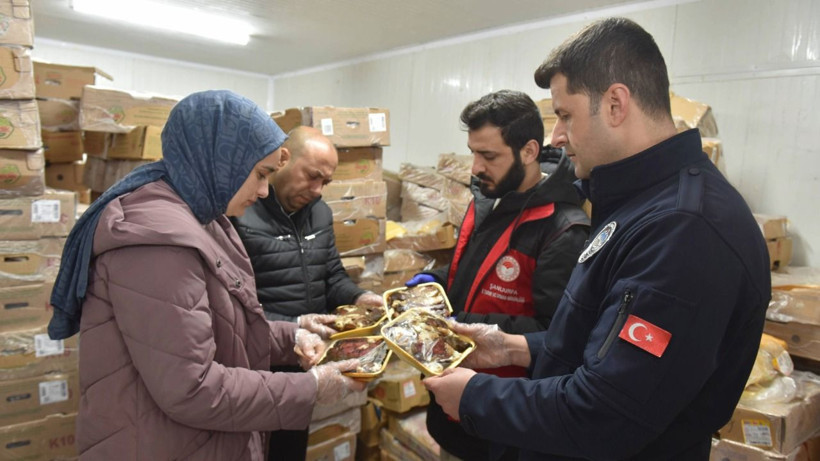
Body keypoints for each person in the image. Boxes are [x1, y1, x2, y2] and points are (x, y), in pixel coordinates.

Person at [423, 17, 771, 460]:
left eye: (565, 115)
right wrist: (510, 346)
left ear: (615, 104)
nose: (556, 136)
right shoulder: (638, 205)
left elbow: (605, 413)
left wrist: (474, 396)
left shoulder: (685, 230)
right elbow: (596, 341)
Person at [47, 90, 365, 460]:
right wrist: (309, 389)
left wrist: (291, 334)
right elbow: (193, 387)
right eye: (260, 175)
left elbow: (216, 327)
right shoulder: (157, 243)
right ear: (221, 160)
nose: (264, 191)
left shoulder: (203, 216)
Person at [405, 90, 589, 460]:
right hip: (451, 408)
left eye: (488, 156)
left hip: (499, 425)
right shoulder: (489, 199)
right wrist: (436, 282)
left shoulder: (562, 229)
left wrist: (456, 321)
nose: (475, 168)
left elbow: (556, 335)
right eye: (473, 152)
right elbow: (471, 271)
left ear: (529, 151)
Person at [231, 126, 382, 460]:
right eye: (312, 176)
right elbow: (231, 306)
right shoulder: (241, 213)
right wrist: (293, 325)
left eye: (325, 182)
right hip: (255, 363)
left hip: (305, 359)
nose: (317, 190)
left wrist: (359, 298)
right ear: (282, 160)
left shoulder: (320, 213)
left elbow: (331, 275)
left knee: (288, 450)